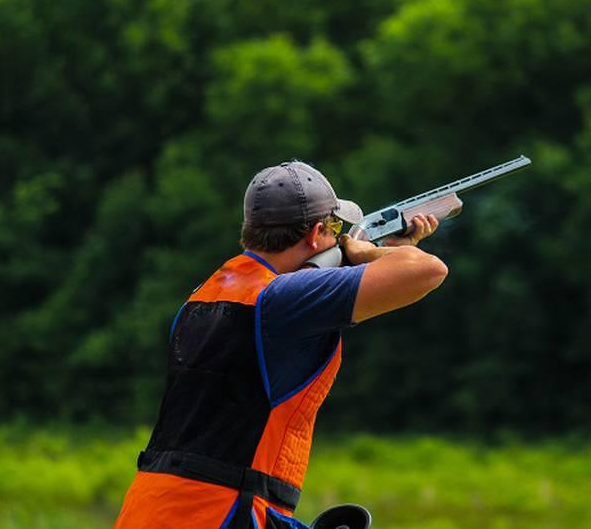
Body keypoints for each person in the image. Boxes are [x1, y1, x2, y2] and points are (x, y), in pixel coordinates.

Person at [114, 161, 447, 529]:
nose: (340, 240)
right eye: (336, 230)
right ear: (317, 233)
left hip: (148, 507)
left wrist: (386, 254)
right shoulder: (282, 299)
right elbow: (428, 270)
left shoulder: (202, 296)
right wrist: (368, 253)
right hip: (218, 513)